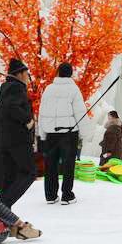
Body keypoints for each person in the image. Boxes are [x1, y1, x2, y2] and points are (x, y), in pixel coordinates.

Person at [38, 62, 85, 205]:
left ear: (58, 72)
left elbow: (42, 113)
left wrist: (42, 133)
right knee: (68, 164)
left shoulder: (48, 89)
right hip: (69, 133)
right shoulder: (74, 89)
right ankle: (67, 195)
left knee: (50, 164)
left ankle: (51, 195)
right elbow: (80, 112)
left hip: (51, 133)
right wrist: (85, 133)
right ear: (71, 74)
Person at [0, 58, 36, 208]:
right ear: (19, 74)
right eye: (26, 74)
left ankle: (3, 210)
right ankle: (4, 205)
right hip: (18, 139)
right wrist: (27, 119)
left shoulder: (4, 88)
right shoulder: (16, 87)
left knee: (10, 175)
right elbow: (11, 107)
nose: (28, 77)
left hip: (5, 139)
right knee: (29, 172)